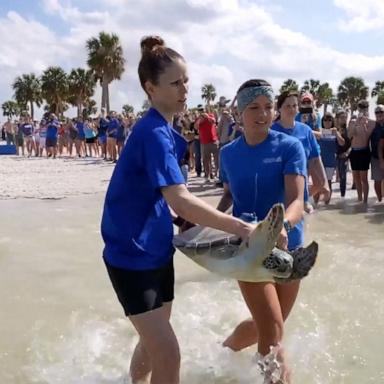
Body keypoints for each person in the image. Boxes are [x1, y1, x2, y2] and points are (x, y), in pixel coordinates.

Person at [100, 36, 255, 384]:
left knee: (152, 343)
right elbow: (180, 198)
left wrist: (179, 218)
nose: (185, 89)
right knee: (169, 354)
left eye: (186, 80)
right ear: (150, 88)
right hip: (130, 257)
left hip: (157, 249)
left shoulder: (165, 131)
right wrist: (240, 228)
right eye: (175, 83)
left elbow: (156, 196)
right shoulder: (152, 133)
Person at [217, 79, 306, 383]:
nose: (263, 114)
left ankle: (226, 349)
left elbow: (297, 200)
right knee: (272, 332)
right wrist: (208, 222)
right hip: (250, 251)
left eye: (268, 107)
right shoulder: (228, 154)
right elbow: (229, 196)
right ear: (240, 113)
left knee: (269, 323)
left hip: (289, 249)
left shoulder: (290, 147)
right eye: (254, 107)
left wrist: (283, 225)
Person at [271, 91, 329, 211]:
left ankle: (302, 199)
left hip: (300, 201)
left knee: (298, 225)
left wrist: (324, 184)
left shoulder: (306, 131)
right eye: (288, 106)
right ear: (279, 108)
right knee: (280, 227)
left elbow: (315, 158)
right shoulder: (271, 132)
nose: (292, 109)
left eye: (294, 106)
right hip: (275, 198)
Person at [348, 100, 375, 203]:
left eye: (365, 107)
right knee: (356, 178)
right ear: (358, 109)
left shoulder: (371, 123)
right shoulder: (352, 121)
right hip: (354, 152)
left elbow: (367, 136)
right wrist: (356, 124)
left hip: (364, 151)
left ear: (368, 108)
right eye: (360, 107)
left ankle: (365, 201)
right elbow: (350, 135)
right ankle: (359, 199)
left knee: (364, 178)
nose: (362, 109)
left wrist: (365, 124)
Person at [314, 112, 345, 204]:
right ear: (322, 121)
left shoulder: (335, 131)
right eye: (325, 120)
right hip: (318, 161)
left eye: (329, 120)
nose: (327, 122)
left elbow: (342, 143)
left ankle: (326, 205)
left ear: (332, 121)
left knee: (328, 182)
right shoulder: (319, 130)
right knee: (317, 183)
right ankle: (315, 204)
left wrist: (337, 134)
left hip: (330, 161)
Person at [196, 106, 219, 181]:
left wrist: (207, 116)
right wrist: (199, 120)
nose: (201, 112)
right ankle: (208, 175)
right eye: (200, 110)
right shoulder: (198, 119)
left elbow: (214, 121)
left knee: (216, 159)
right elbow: (196, 127)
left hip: (213, 141)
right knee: (206, 160)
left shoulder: (210, 115)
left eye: (202, 110)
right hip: (204, 142)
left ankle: (217, 174)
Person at [334, 110, 351, 197]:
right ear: (337, 119)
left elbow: (352, 143)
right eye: (342, 117)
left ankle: (342, 196)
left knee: (343, 176)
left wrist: (347, 153)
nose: (344, 119)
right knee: (333, 177)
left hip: (345, 155)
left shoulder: (348, 130)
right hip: (335, 155)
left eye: (345, 117)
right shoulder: (334, 129)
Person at [370, 105, 384, 202]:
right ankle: (379, 200)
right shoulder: (372, 126)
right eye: (377, 112)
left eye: (381, 112)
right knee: (377, 180)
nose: (379, 114)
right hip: (375, 157)